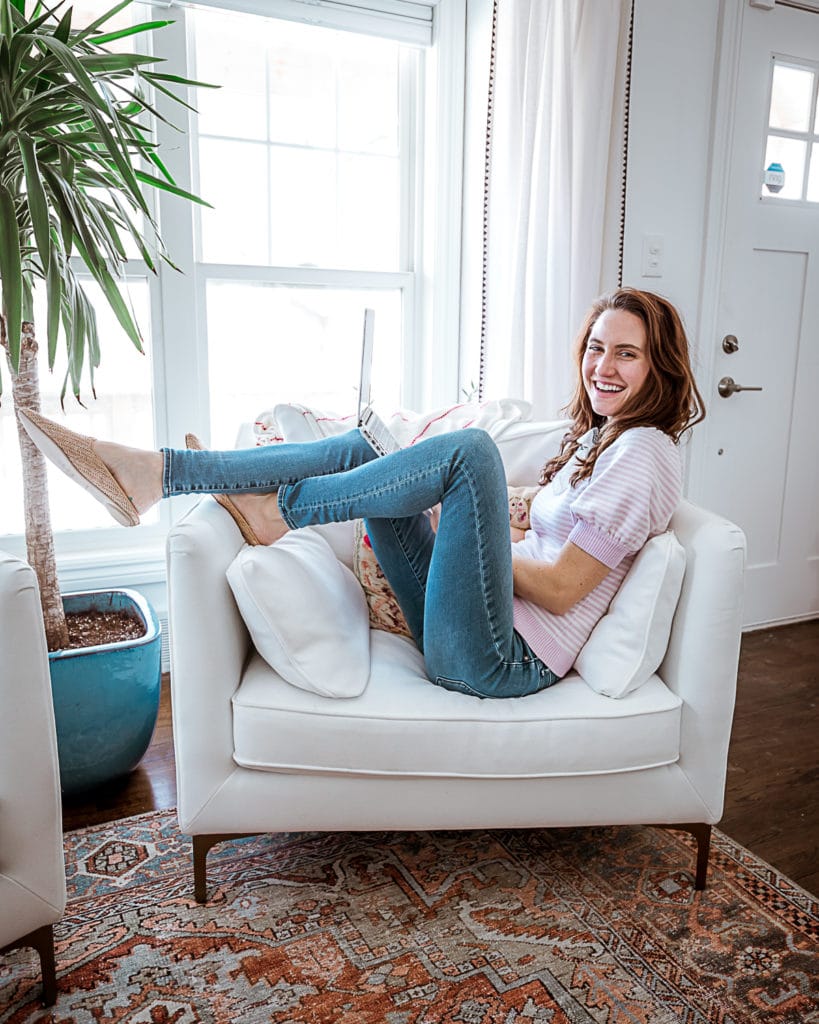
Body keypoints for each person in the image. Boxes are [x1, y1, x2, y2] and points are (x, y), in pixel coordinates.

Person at [18, 287, 704, 700]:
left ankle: (274, 512)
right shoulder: (603, 441)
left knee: (471, 453)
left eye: (626, 354)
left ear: (659, 366)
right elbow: (543, 547)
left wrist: (475, 531)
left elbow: (559, 590)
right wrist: (477, 532)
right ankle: (159, 474)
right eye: (595, 347)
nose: (601, 366)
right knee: (361, 452)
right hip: (472, 626)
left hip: (502, 661)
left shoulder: (645, 452)